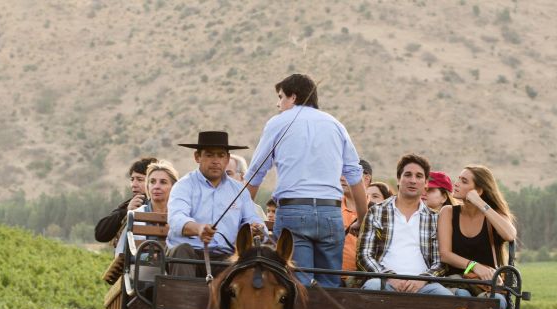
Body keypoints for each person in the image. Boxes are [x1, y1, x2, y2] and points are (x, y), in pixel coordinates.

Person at [244, 73, 368, 287]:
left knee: (297, 285)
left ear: (293, 97)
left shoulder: (279, 123)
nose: (278, 103)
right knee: (329, 287)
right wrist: (362, 217)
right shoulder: (336, 125)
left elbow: (256, 172)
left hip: (294, 212)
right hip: (331, 213)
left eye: (281, 97)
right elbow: (354, 174)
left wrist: (243, 214)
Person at [167, 130, 265, 277]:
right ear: (197, 157)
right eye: (209, 155)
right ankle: (184, 299)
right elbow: (176, 219)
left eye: (221, 155)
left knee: (245, 263)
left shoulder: (239, 190)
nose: (215, 161)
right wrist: (198, 228)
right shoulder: (184, 186)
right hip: (190, 255)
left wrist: (257, 228)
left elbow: (253, 219)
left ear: (227, 159)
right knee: (182, 250)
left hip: (226, 258)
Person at [356, 153, 451, 295]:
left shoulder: (435, 219)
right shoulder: (377, 211)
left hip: (424, 285)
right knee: (372, 287)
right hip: (383, 281)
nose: (413, 180)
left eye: (419, 176)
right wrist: (388, 277)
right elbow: (364, 255)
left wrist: (422, 280)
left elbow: (441, 262)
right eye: (408, 175)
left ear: (426, 184)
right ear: (399, 179)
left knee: (446, 297)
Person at [437, 165, 517, 309]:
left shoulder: (493, 216)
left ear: (478, 191)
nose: (456, 183)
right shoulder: (448, 212)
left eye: (464, 181)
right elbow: (445, 254)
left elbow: (510, 235)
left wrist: (480, 203)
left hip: (487, 284)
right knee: (462, 295)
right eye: (458, 179)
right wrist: (474, 266)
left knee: (496, 302)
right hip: (458, 280)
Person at [115, 160, 179, 256]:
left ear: (174, 187)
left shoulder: (181, 215)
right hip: (144, 267)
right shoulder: (137, 215)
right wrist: (150, 257)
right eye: (152, 182)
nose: (156, 186)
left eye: (163, 182)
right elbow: (123, 254)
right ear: (148, 186)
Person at [94, 157, 157, 243]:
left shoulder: (166, 204)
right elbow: (100, 235)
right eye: (132, 179)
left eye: (140, 179)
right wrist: (125, 212)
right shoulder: (128, 205)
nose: (133, 184)